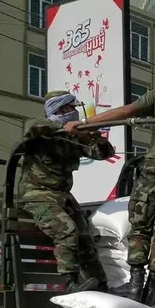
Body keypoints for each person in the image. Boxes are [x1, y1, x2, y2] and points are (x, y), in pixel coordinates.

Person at [66, 64, 155, 303]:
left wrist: (87, 122)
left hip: (154, 170)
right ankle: (153, 285)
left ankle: (135, 284)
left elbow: (125, 111)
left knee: (141, 226)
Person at [18, 91, 115, 293]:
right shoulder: (41, 130)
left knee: (86, 238)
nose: (74, 112)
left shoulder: (74, 136)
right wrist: (64, 127)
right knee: (67, 231)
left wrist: (93, 135)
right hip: (37, 194)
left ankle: (100, 284)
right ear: (60, 109)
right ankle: (70, 283)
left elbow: (103, 153)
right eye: (70, 108)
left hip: (62, 196)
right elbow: (31, 126)